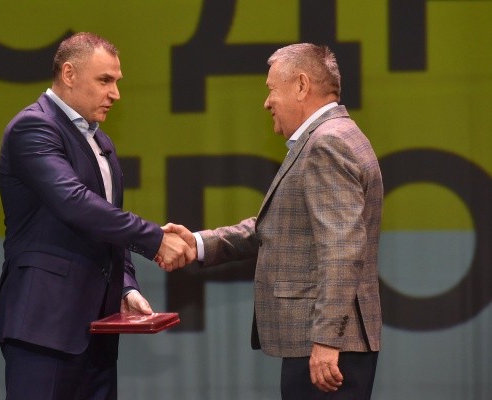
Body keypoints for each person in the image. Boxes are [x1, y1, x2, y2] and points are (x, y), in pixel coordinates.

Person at [163, 43, 383, 399]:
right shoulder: (334, 136)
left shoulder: (327, 144)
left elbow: (342, 249)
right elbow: (279, 226)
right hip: (323, 343)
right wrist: (199, 243)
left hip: (327, 348)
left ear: (301, 86)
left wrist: (327, 339)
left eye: (271, 89)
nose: (267, 102)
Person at [0, 32, 194, 400]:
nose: (115, 93)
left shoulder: (100, 140)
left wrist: (126, 285)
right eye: (105, 80)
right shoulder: (33, 127)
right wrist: (155, 239)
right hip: (44, 326)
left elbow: (107, 220)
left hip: (98, 328)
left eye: (117, 81)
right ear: (69, 74)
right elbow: (75, 202)